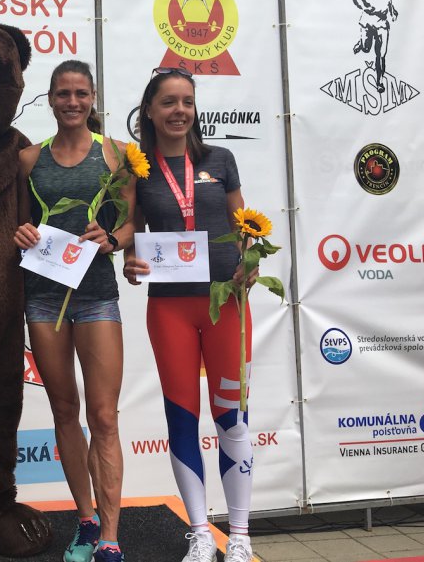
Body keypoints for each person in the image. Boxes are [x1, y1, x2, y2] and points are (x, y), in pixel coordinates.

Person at [123, 67, 257, 562]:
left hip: (226, 303)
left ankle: (239, 536)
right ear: (149, 111)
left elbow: (244, 223)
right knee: (182, 418)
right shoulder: (138, 169)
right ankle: (200, 533)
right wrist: (130, 259)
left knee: (232, 418)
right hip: (170, 308)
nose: (179, 111)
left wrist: (251, 257)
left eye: (187, 102)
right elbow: (131, 231)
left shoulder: (221, 159)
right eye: (169, 102)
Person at [13, 60, 135, 562]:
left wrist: (113, 239)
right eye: (63, 93)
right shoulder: (28, 159)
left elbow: (131, 223)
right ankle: (86, 522)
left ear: (93, 98)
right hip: (43, 297)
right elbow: (15, 224)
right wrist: (20, 232)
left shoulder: (118, 155)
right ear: (50, 99)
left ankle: (111, 537)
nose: (72, 102)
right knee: (64, 409)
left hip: (97, 295)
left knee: (103, 416)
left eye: (81, 93)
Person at [352, 0, 399, 93]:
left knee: (381, 55)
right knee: (366, 49)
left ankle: (380, 82)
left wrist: (393, 13)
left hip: (382, 24)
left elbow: (389, 4)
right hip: (367, 23)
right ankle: (362, 44)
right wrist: (367, 8)